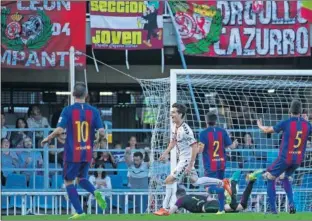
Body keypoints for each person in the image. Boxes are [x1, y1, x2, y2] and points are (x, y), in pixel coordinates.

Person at [41, 82, 107, 220]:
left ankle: (80, 211)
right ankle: (95, 192)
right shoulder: (93, 111)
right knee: (81, 178)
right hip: (87, 152)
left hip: (73, 152)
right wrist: (99, 141)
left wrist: (48, 138)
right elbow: (101, 131)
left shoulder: (68, 110)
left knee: (68, 181)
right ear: (87, 95)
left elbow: (59, 129)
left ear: (72, 94)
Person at [154, 103, 231, 216]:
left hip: (186, 160)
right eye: (172, 112)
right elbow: (173, 141)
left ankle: (165, 208)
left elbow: (194, 147)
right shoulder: (174, 126)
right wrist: (165, 153)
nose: (171, 114)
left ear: (180, 114)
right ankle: (222, 182)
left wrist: (190, 164)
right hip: (184, 160)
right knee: (196, 182)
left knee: (168, 180)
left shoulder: (186, 130)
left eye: (174, 112)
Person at [257, 99, 311, 214]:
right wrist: (307, 121)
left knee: (269, 177)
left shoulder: (286, 123)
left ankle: (273, 211)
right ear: (301, 112)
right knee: (283, 177)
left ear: (290, 111)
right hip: (298, 160)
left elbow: (267, 130)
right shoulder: (307, 125)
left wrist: (260, 126)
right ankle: (291, 205)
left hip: (285, 158)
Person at [168, 170, 261, 214]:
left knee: (235, 206)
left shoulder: (180, 200)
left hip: (207, 207)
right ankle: (251, 181)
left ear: (178, 196)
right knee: (241, 206)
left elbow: (171, 211)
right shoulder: (191, 195)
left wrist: (167, 211)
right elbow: (209, 197)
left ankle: (233, 183)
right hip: (211, 203)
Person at [198, 112, 238, 214]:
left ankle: (226, 191)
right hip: (221, 163)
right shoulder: (222, 131)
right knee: (220, 183)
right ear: (216, 121)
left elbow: (201, 150)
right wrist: (235, 143)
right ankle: (221, 209)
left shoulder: (203, 133)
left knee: (208, 188)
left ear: (206, 121)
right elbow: (231, 147)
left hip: (210, 165)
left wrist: (193, 147)